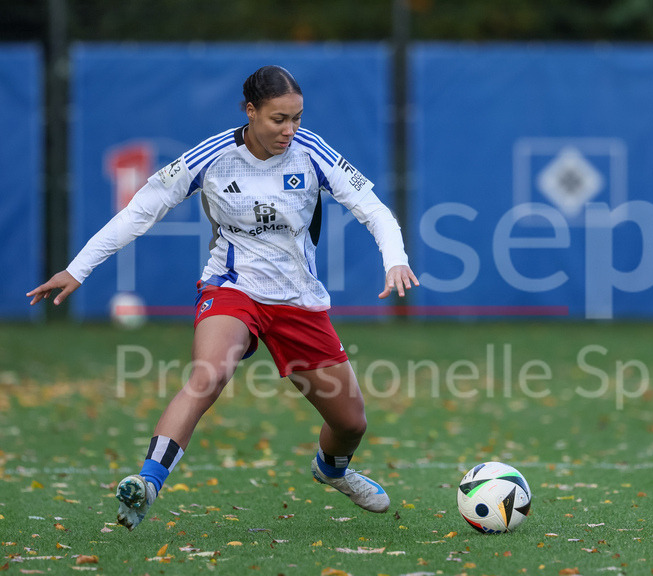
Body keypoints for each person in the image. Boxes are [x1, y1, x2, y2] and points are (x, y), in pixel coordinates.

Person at [27, 65, 419, 531]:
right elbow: (141, 211)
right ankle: (147, 482)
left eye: (296, 118)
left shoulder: (311, 152)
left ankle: (331, 470)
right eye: (278, 119)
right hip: (232, 289)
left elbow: (372, 208)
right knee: (208, 375)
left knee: (351, 422)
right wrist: (77, 268)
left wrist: (394, 258)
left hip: (298, 302)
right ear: (250, 112)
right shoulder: (212, 157)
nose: (289, 130)